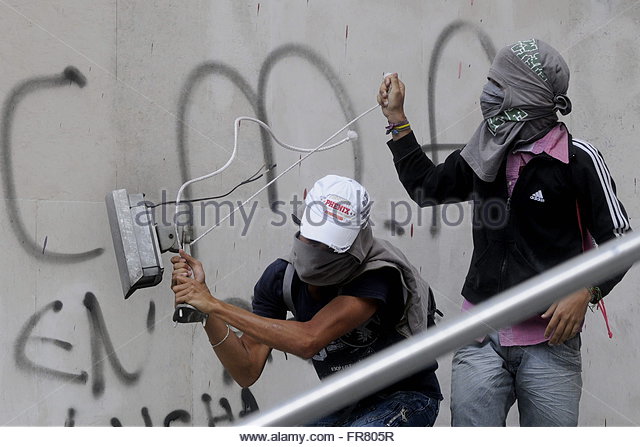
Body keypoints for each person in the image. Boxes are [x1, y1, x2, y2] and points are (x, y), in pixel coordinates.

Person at [377, 38, 631, 426]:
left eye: (501, 84)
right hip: (480, 336)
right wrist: (397, 119)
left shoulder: (578, 159)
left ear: (528, 94)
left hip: (551, 343)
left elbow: (622, 242)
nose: (488, 93)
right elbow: (427, 188)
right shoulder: (485, 149)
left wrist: (587, 290)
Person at [171, 174, 442, 426]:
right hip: (343, 403)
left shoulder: (378, 273)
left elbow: (309, 339)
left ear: (357, 239)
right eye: (312, 240)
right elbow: (247, 369)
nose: (316, 251)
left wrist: (215, 304)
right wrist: (205, 310)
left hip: (405, 398)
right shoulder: (281, 278)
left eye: (329, 246)